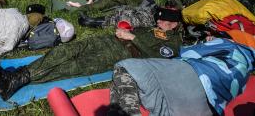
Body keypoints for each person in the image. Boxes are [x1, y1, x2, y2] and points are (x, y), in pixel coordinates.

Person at [0, 7, 185, 100]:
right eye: (159, 20)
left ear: (174, 24)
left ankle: (14, 81)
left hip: (120, 53)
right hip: (110, 40)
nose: (159, 23)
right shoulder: (154, 28)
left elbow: (159, 56)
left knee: (71, 66)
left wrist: (132, 38)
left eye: (164, 22)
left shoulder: (174, 42)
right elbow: (135, 31)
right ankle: (16, 76)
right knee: (66, 50)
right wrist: (125, 31)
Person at [109, 38, 255, 116]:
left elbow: (187, 53)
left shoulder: (231, 45)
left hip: (193, 77)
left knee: (125, 67)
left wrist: (207, 42)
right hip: (206, 108)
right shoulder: (245, 75)